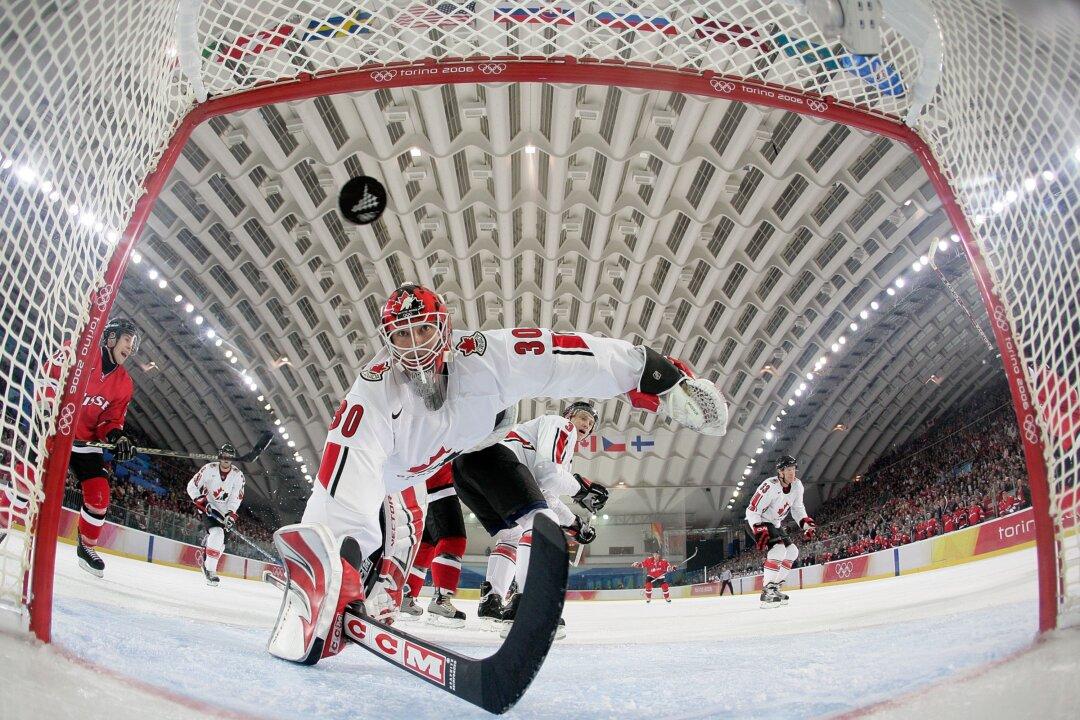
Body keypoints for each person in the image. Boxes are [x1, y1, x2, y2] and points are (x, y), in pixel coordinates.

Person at [267, 282, 728, 665]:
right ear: (386, 341)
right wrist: (333, 558)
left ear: (444, 328)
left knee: (399, 564)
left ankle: (383, 604)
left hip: (420, 476)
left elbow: (563, 356)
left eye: (423, 329)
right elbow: (344, 471)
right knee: (365, 555)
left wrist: (653, 377)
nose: (414, 346)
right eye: (401, 336)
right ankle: (331, 591)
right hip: (388, 474)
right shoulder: (371, 392)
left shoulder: (487, 357)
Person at [471, 401, 608, 634]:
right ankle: (527, 603)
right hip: (499, 464)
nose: (586, 424)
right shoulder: (561, 425)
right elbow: (547, 474)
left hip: (471, 470)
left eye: (591, 423)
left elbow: (544, 495)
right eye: (583, 417)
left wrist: (575, 524)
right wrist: (581, 489)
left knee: (512, 536)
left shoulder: (544, 438)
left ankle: (492, 602)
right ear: (569, 415)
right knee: (543, 524)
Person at [44, 318, 138, 577]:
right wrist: (50, 411)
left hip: (84, 443)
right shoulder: (78, 351)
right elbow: (49, 380)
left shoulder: (124, 383)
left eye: (132, 343)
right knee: (27, 477)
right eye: (127, 339)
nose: (130, 347)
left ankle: (87, 547)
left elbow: (110, 420)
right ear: (110, 338)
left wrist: (117, 437)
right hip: (55, 432)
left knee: (99, 496)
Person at [399, 462, 468, 627]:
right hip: (440, 487)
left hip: (422, 490)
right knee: (453, 541)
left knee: (426, 547)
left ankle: (406, 598)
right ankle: (440, 599)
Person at [746, 454, 815, 608]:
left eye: (793, 469)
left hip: (775, 523)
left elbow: (797, 509)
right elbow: (752, 511)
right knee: (778, 549)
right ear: (780, 472)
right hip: (758, 519)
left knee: (792, 552)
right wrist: (759, 530)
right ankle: (767, 592)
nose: (792, 473)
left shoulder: (797, 486)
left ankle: (774, 587)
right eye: (788, 469)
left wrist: (806, 524)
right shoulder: (769, 486)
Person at [186, 444, 246, 586]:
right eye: (224, 454)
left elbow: (236, 498)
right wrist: (200, 500)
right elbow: (191, 486)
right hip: (209, 507)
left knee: (222, 545)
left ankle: (208, 554)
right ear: (220, 455)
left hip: (225, 511)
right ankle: (210, 570)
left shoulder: (238, 475)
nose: (226, 458)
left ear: (232, 458)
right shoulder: (208, 469)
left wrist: (230, 515)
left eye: (229, 455)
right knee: (217, 533)